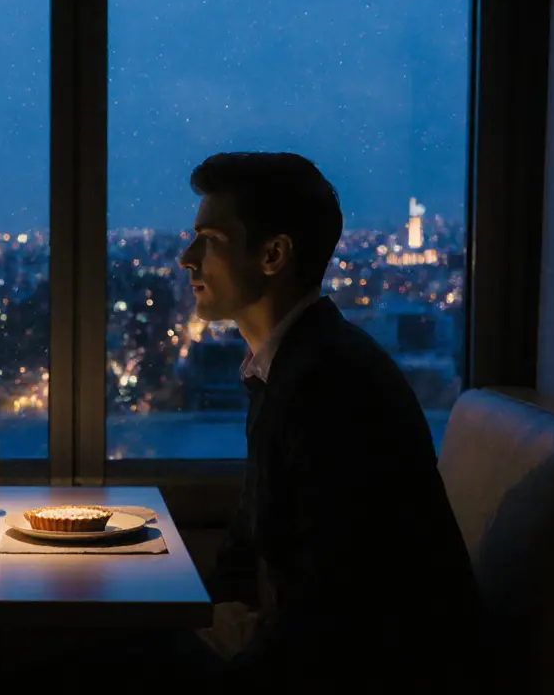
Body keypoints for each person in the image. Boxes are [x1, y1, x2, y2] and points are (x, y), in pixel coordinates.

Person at [174, 153, 483, 692]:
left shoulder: (328, 384)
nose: (186, 258)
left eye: (210, 240)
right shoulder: (295, 367)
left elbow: (337, 601)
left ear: (273, 255)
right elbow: (259, 543)